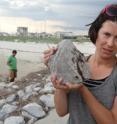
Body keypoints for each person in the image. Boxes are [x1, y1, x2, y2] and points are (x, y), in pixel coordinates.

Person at [43, 3, 117, 124]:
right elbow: (62, 111)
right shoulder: (78, 63)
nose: (110, 43)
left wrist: (82, 87)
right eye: (107, 34)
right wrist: (58, 69)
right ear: (96, 32)